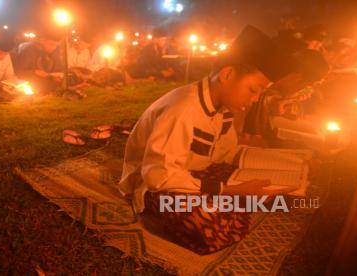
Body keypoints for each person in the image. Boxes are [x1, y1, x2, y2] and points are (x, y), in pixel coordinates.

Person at [118, 26, 295, 254]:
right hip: (154, 187)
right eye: (253, 90)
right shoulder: (183, 108)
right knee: (206, 219)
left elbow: (221, 154)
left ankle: (234, 202)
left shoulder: (223, 107)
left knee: (258, 183)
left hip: (191, 174)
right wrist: (230, 191)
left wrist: (262, 160)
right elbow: (157, 176)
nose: (254, 99)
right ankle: (228, 205)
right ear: (227, 75)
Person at [241, 49, 329, 141]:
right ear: (296, 78)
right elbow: (248, 134)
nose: (302, 90)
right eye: (306, 86)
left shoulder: (272, 91)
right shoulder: (256, 90)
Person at [15, 29, 63, 95]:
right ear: (42, 40)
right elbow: (20, 73)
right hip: (32, 81)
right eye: (51, 44)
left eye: (56, 46)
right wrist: (35, 72)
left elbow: (58, 69)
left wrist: (56, 77)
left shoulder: (56, 50)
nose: (54, 48)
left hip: (49, 80)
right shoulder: (28, 50)